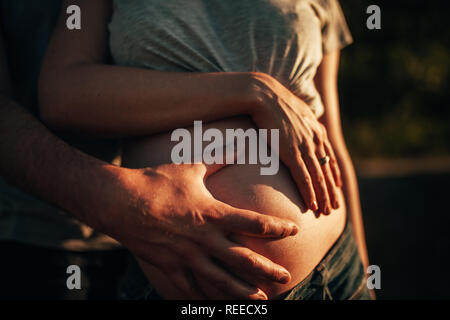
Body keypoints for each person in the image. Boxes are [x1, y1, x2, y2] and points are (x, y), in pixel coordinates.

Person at [40, 0, 371, 299]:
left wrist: (366, 279)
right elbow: (62, 94)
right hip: (181, 282)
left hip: (336, 271)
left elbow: (330, 140)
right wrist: (251, 90)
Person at [0, 0, 299, 300]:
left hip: (332, 269)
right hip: (49, 240)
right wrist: (118, 203)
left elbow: (329, 132)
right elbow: (57, 95)